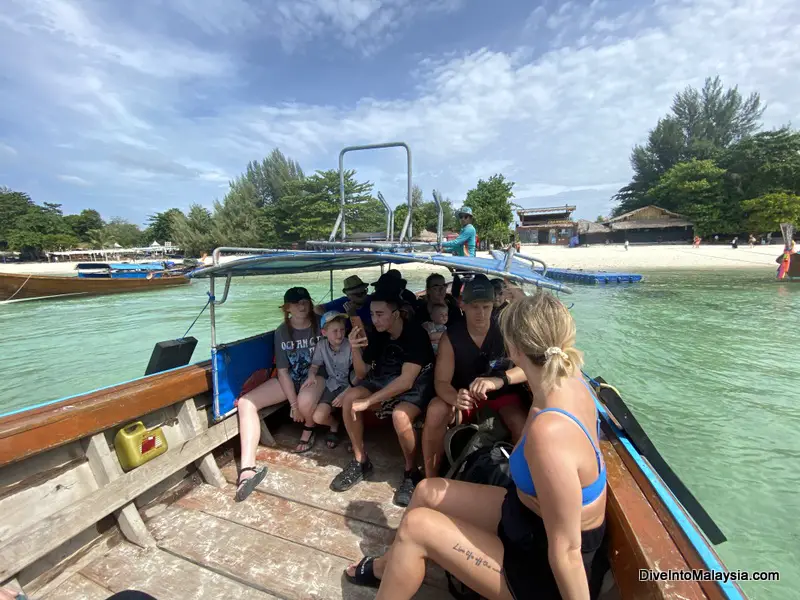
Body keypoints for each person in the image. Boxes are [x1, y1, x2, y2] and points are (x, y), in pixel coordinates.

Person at [344, 290, 607, 600]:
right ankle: (387, 566)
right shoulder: (568, 378)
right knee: (427, 492)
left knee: (417, 527)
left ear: (513, 349)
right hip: (525, 517)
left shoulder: (550, 436)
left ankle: (392, 570)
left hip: (538, 570)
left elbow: (567, 552)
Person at [329, 290, 435, 506]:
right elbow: (361, 374)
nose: (375, 319)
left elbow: (406, 381)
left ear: (396, 314)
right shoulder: (378, 333)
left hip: (414, 386)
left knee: (400, 416)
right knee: (350, 398)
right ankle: (361, 461)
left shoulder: (415, 334)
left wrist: (368, 402)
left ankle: (411, 472)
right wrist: (355, 349)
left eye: (380, 314)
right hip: (383, 380)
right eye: (372, 314)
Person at [421, 274, 529, 479]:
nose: (480, 313)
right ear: (463, 306)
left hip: (502, 395)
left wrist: (498, 380)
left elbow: (527, 369)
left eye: (486, 307)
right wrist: (455, 398)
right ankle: (430, 476)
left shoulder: (506, 331)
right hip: (466, 397)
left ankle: (513, 481)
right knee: (436, 410)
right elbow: (441, 382)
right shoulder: (451, 337)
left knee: (520, 424)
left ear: (493, 305)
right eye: (475, 307)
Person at [233, 287, 323, 502]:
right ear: (287, 308)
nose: (301, 306)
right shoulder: (282, 331)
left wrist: (298, 402)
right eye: (295, 303)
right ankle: (247, 470)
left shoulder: (320, 323)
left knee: (305, 401)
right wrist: (292, 403)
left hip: (316, 375)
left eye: (304, 301)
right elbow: (282, 371)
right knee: (246, 403)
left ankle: (309, 427)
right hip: (290, 378)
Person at [305, 311, 352, 449]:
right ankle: (334, 424)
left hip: (351, 385)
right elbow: (314, 365)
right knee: (318, 417)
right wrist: (311, 375)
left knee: (350, 409)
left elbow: (359, 375)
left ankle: (353, 434)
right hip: (332, 385)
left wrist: (345, 394)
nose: (339, 334)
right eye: (335, 331)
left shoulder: (351, 345)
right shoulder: (321, 345)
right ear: (324, 332)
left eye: (342, 330)